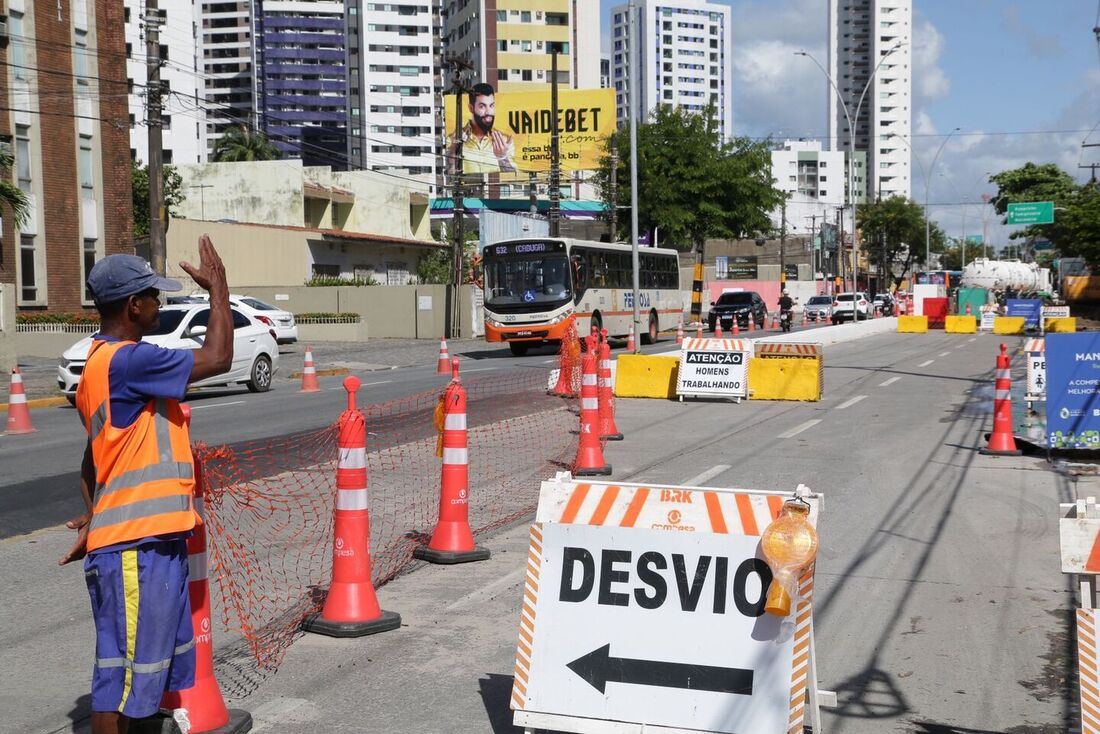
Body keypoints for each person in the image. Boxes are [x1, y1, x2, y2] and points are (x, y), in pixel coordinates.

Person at [59, 236, 233, 734]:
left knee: (141, 672)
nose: (160, 303)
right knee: (121, 680)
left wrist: (96, 517)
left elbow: (94, 459)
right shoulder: (130, 363)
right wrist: (218, 290)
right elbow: (218, 357)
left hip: (140, 539)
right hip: (137, 546)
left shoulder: (98, 362)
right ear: (135, 306)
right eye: (155, 296)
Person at [449, 82, 517, 174]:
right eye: (482, 106)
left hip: (492, 189)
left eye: (491, 106)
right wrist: (454, 148)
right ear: (471, 108)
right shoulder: (453, 139)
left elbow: (514, 178)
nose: (488, 112)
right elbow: (448, 174)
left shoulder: (504, 141)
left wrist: (502, 158)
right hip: (466, 188)